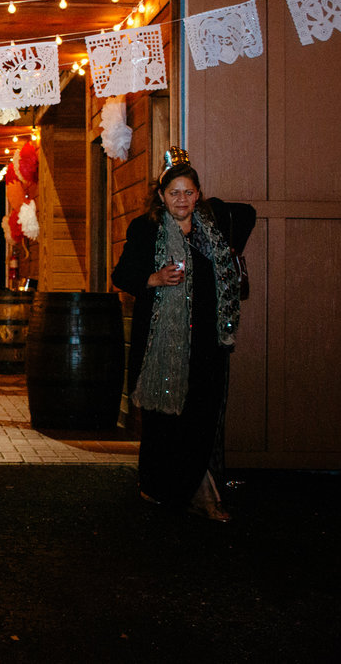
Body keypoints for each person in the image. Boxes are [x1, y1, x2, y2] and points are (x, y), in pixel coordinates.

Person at [112, 147, 256, 522]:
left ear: (198, 194)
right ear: (160, 196)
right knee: (164, 417)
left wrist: (211, 213)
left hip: (208, 342)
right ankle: (159, 487)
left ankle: (198, 488)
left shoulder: (212, 228)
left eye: (189, 192)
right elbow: (121, 275)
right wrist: (154, 278)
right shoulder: (146, 229)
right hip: (162, 339)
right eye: (173, 192)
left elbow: (248, 214)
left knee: (201, 415)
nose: (181, 200)